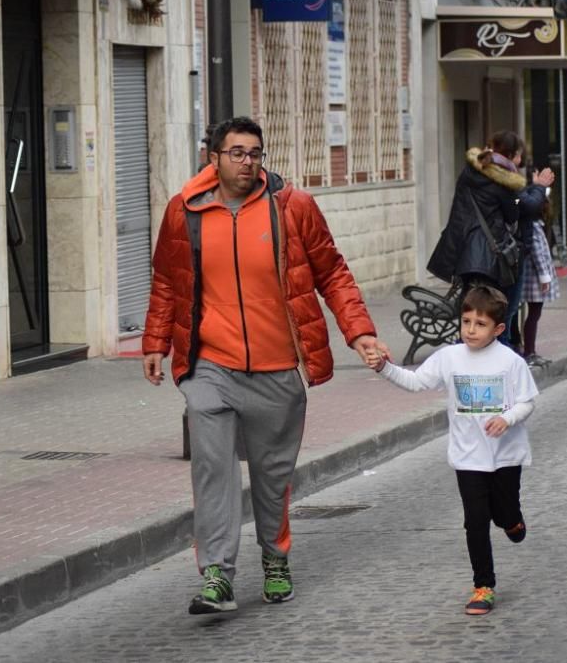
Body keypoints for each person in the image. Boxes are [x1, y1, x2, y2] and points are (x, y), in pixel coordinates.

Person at [141, 116, 388, 615]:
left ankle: (275, 559)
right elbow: (167, 281)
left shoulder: (292, 208)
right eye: (237, 153)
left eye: (256, 153)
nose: (248, 162)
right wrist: (157, 342)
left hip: (278, 369)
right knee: (213, 470)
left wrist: (359, 333)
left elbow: (332, 271)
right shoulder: (184, 211)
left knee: (272, 478)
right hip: (210, 365)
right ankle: (217, 575)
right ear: (214, 157)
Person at [366, 286, 538, 616]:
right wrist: (383, 368)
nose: (471, 329)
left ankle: (513, 520)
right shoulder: (450, 357)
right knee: (475, 521)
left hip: (505, 457)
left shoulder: (510, 362)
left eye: (480, 324)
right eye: (466, 321)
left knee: (503, 514)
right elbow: (416, 382)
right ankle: (484, 586)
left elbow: (527, 401)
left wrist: (507, 418)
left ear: (498, 329)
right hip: (468, 457)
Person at [426, 131, 553, 351]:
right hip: (494, 258)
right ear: (512, 155)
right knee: (501, 314)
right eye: (518, 156)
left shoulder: (470, 172)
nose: (520, 162)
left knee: (471, 314)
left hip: (465, 254)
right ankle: (496, 366)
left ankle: (464, 363)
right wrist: (540, 187)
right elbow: (517, 212)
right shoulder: (502, 179)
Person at [520, 201, 560, 368]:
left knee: (526, 314)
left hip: (531, 276)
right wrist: (545, 277)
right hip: (535, 278)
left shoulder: (532, 224)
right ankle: (529, 351)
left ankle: (524, 348)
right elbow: (538, 252)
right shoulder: (535, 226)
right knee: (534, 314)